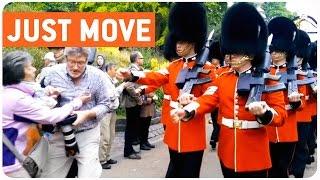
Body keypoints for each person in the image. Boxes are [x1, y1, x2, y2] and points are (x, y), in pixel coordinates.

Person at [172, 3, 288, 178]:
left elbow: (280, 114)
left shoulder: (269, 79)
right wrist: (189, 109)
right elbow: (209, 98)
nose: (229, 57)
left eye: (234, 53)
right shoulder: (224, 77)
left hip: (254, 155)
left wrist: (265, 113)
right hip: (227, 151)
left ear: (248, 52)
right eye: (229, 52)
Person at [119, 3, 216, 177]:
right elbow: (156, 76)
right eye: (176, 41)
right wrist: (132, 75)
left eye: (182, 41)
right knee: (174, 170)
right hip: (173, 130)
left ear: (193, 41)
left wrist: (193, 106)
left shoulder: (207, 68)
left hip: (193, 130)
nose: (177, 46)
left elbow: (211, 96)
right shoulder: (174, 66)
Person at [2, 51, 89, 178]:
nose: (34, 69)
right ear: (19, 71)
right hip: (12, 165)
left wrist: (48, 94)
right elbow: (50, 116)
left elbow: (32, 104)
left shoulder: (10, 92)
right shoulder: (17, 99)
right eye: (30, 66)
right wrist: (77, 102)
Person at [41, 47, 118, 177]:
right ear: (65, 59)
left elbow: (106, 104)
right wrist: (48, 97)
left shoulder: (98, 76)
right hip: (59, 136)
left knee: (89, 175)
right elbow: (37, 97)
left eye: (80, 63)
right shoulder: (52, 74)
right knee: (50, 175)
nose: (75, 67)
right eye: (71, 62)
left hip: (87, 133)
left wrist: (87, 114)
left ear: (87, 60)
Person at [266, 16, 301, 178]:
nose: (274, 55)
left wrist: (296, 102)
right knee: (269, 167)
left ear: (286, 52)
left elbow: (302, 103)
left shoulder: (296, 74)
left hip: (288, 127)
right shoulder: (266, 72)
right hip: (269, 127)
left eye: (278, 51)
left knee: (282, 167)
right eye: (273, 51)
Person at [290, 29, 313, 178]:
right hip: (289, 115)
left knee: (300, 147)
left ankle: (299, 172)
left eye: (299, 56)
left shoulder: (308, 72)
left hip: (304, 116)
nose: (297, 59)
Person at [99, 63, 127, 169]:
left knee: (111, 135)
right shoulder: (104, 80)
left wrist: (121, 80)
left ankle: (107, 157)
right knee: (105, 136)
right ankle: (101, 160)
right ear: (109, 69)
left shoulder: (110, 79)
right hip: (106, 112)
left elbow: (116, 83)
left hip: (112, 111)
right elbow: (111, 95)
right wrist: (122, 86)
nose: (116, 72)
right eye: (115, 69)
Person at [122, 51, 144, 159]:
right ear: (136, 59)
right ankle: (128, 151)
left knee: (133, 127)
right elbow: (129, 87)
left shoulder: (136, 70)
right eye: (141, 58)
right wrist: (138, 99)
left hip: (133, 102)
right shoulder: (132, 70)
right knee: (130, 127)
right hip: (132, 103)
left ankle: (130, 150)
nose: (143, 59)